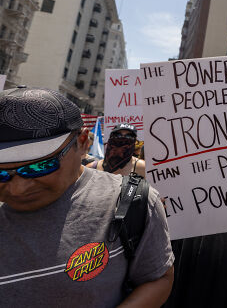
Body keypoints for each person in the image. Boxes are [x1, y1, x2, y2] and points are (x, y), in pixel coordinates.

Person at [0, 87, 174, 307]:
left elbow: (158, 278)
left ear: (82, 142)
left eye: (40, 166)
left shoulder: (132, 201)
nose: (17, 188)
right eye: (1, 173)